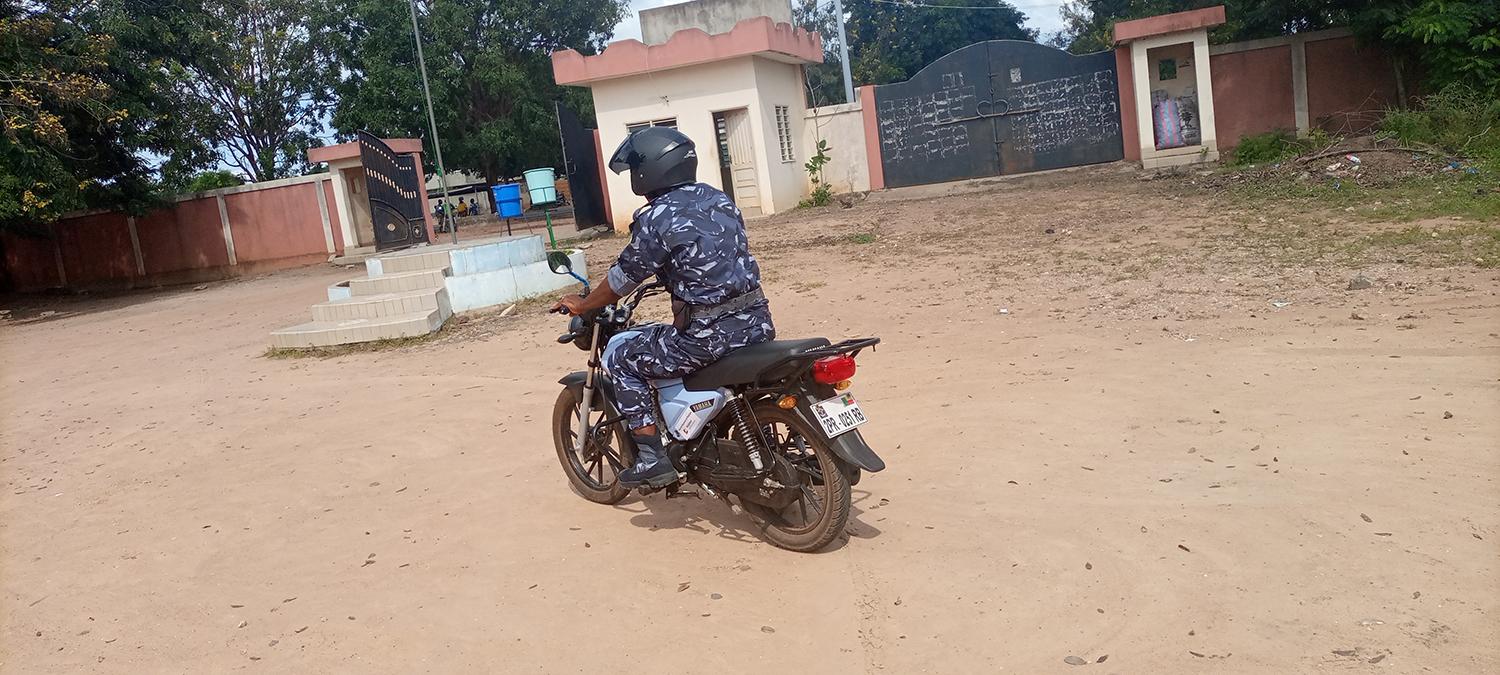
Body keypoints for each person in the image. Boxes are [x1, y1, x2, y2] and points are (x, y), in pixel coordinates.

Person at [550, 127, 774, 488]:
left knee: (623, 359)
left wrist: (583, 305)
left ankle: (653, 457)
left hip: (706, 337)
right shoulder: (719, 199)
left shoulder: (657, 217)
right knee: (663, 340)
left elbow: (622, 280)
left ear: (647, 171)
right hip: (756, 323)